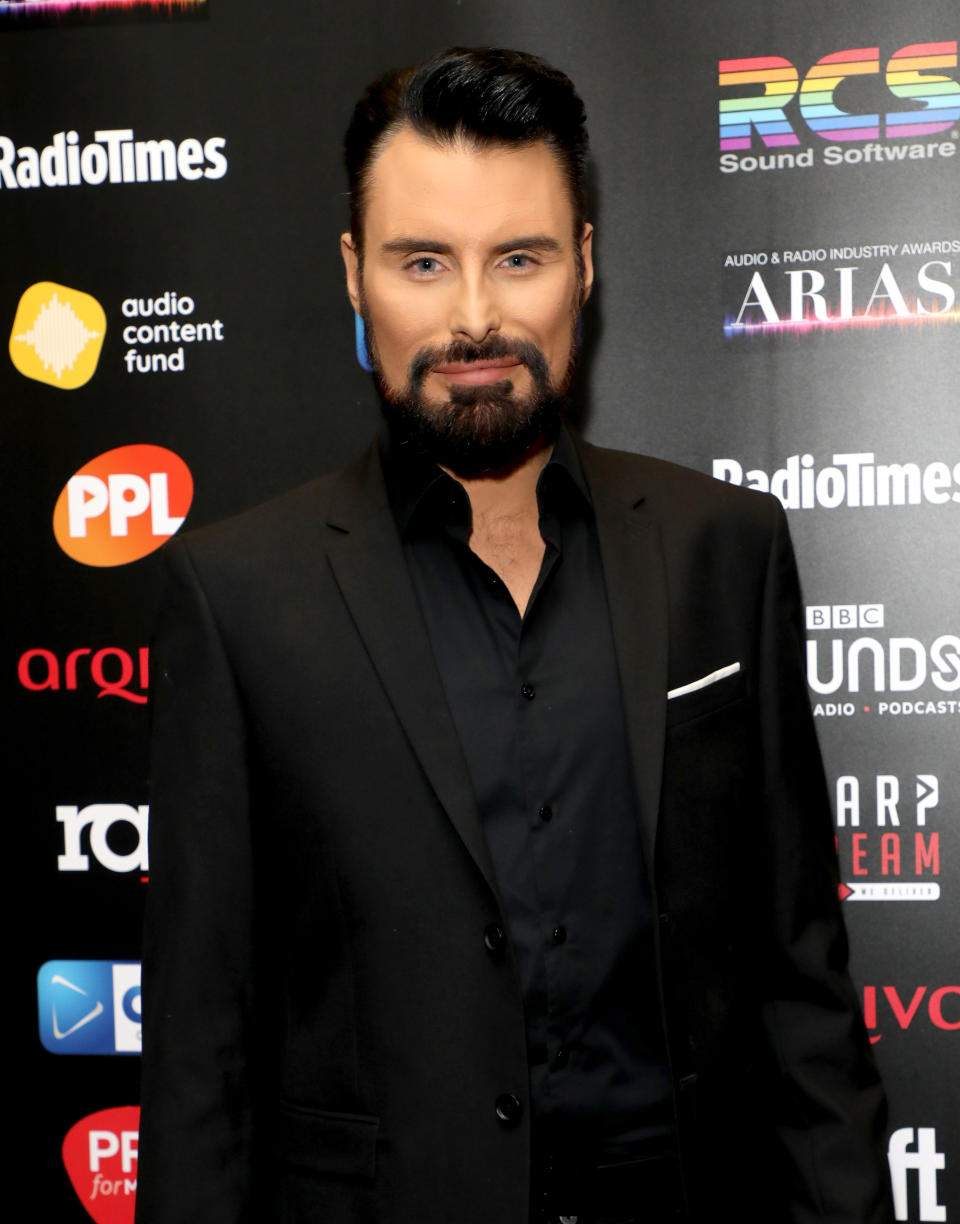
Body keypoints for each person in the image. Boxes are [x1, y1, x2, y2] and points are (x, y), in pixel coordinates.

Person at [136, 47, 892, 1224]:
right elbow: (200, 1050)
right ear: (354, 276)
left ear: (584, 265)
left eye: (520, 258)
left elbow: (802, 989)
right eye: (423, 262)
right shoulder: (237, 594)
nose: (476, 315)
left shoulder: (722, 547)